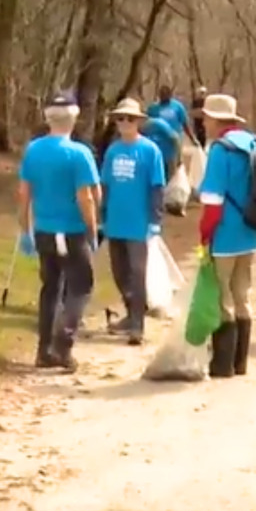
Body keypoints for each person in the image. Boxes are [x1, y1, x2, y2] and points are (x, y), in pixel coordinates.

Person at [16, 93, 101, 371]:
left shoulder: (34, 150)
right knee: (80, 287)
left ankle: (43, 350)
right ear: (74, 118)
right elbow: (86, 197)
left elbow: (24, 194)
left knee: (50, 289)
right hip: (72, 231)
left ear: (48, 118)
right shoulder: (79, 154)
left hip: (44, 231)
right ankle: (62, 343)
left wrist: (25, 229)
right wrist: (92, 229)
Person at [197, 94, 256, 377]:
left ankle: (222, 364)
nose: (203, 123)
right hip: (251, 230)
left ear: (216, 120)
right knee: (243, 295)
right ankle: (241, 363)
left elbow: (212, 200)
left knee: (222, 297)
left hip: (225, 233)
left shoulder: (220, 150)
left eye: (206, 118)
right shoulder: (254, 143)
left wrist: (205, 235)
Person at [100, 98, 166, 346]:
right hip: (115, 221)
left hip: (139, 223)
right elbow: (105, 185)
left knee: (137, 274)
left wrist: (155, 220)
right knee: (120, 273)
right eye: (121, 118)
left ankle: (138, 325)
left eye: (130, 118)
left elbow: (157, 187)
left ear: (138, 122)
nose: (125, 123)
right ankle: (130, 314)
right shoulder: (113, 150)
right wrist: (101, 216)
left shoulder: (150, 151)